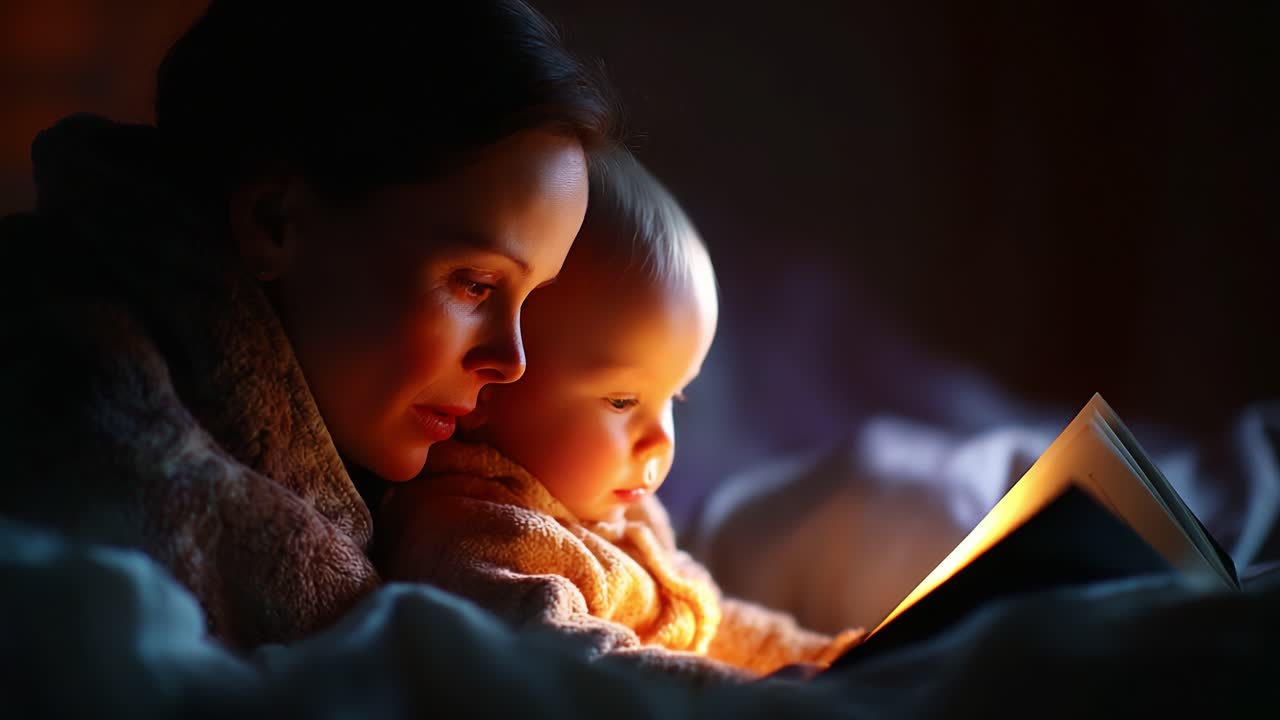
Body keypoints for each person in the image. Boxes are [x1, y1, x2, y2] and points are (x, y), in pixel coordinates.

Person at [0, 0, 616, 650]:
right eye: (476, 283)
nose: (512, 359)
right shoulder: (65, 415)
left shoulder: (427, 496)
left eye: (530, 299)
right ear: (275, 222)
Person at [376, 149, 864, 680]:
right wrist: (753, 697)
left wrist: (827, 659)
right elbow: (589, 674)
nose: (660, 441)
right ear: (491, 387)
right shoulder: (475, 537)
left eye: (674, 398)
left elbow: (709, 625)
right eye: (622, 401)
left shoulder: (622, 514)